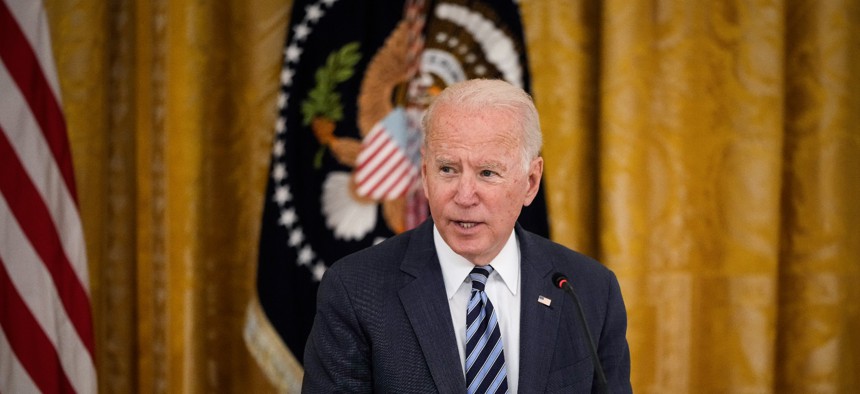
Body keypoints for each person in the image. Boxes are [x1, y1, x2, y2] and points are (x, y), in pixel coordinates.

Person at [302, 79, 631, 393]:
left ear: (530, 182)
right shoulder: (355, 290)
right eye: (448, 169)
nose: (464, 195)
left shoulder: (589, 291)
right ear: (426, 174)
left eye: (487, 173)